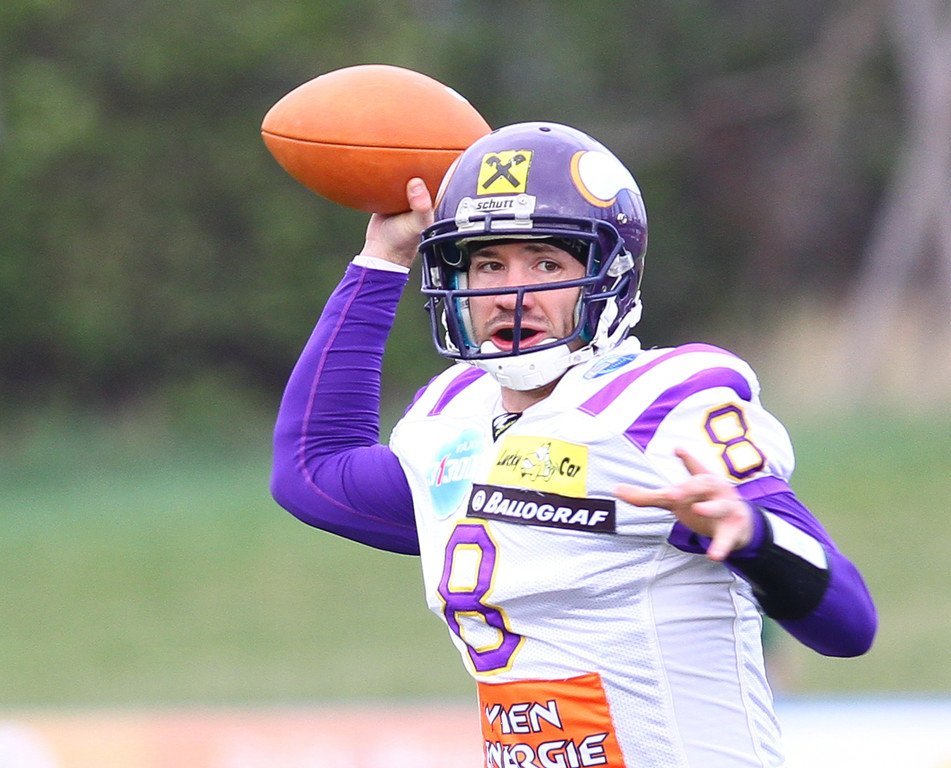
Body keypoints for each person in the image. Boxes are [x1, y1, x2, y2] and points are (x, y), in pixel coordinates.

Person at [270, 122, 877, 767]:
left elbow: (849, 624)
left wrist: (753, 535)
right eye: (488, 264)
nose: (513, 293)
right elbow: (311, 470)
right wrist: (382, 258)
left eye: (547, 264)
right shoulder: (453, 417)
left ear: (610, 276)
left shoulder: (657, 406)